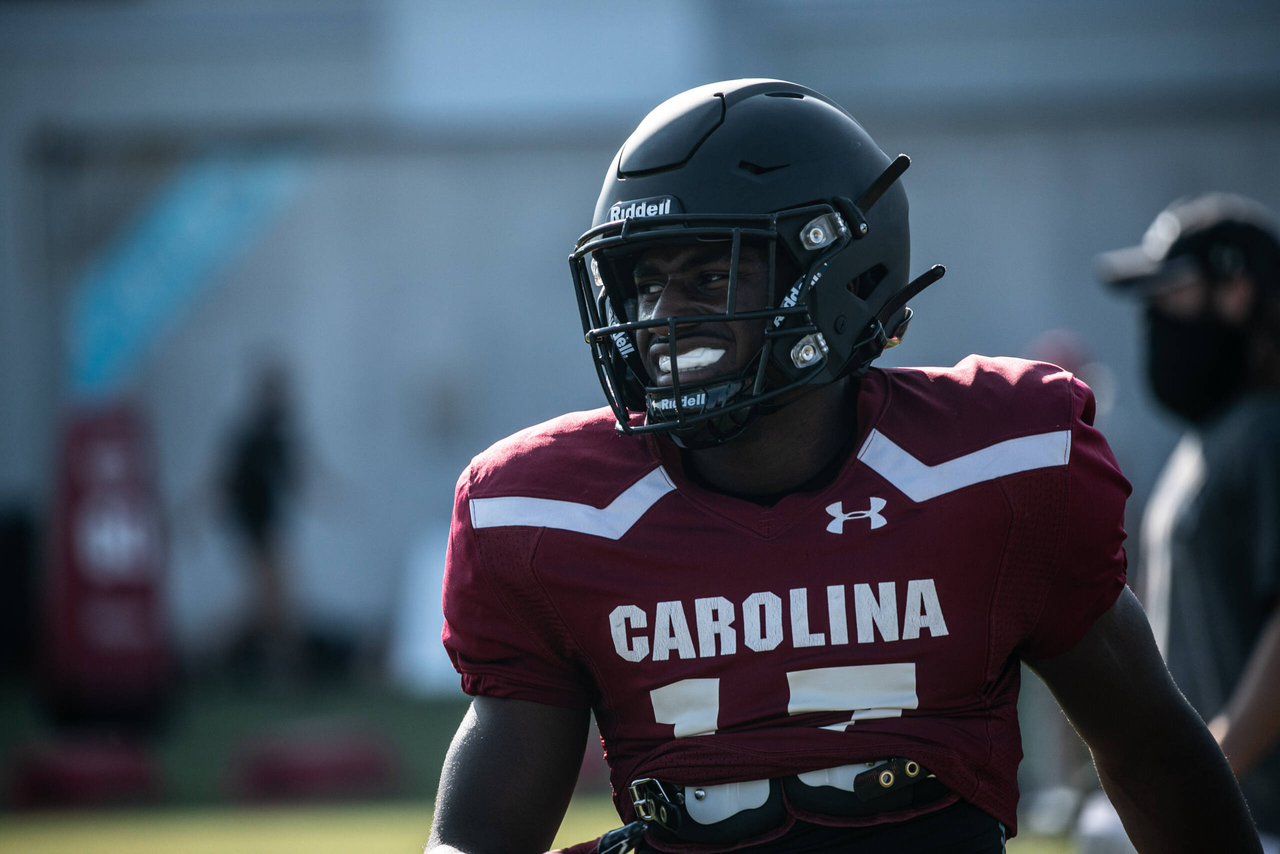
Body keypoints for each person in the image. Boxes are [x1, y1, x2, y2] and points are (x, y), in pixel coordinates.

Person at [428, 80, 1260, 854]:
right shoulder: (545, 515)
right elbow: (477, 841)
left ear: (841, 276)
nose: (660, 320)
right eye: (646, 283)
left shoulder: (992, 469)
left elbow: (1153, 752)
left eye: (710, 276)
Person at [1097, 193, 1280, 851]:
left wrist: (1213, 766)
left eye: (1169, 291)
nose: (1151, 314)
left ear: (1236, 292)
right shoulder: (1210, 438)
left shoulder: (1267, 430)